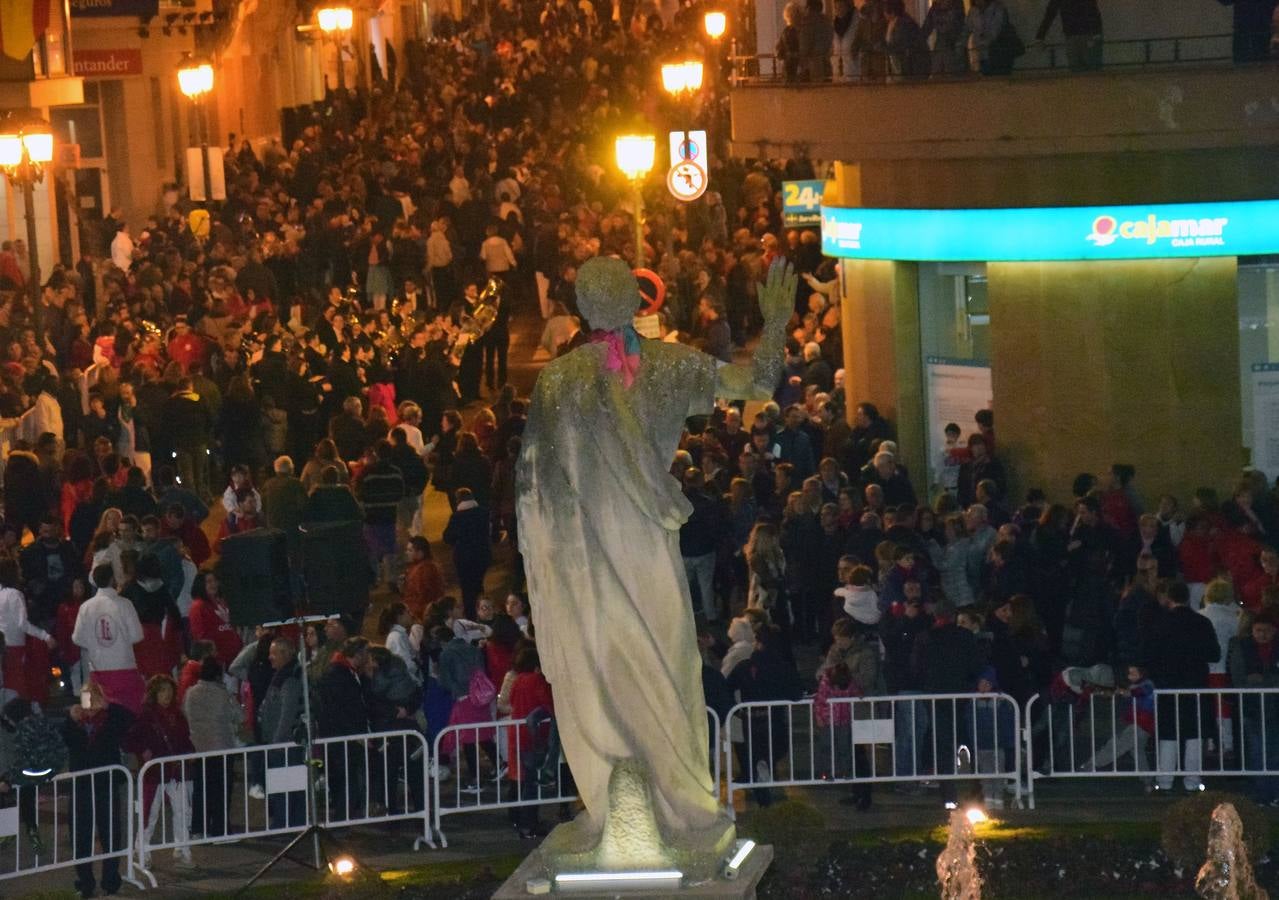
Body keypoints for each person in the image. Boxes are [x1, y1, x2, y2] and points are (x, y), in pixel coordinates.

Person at [1141, 580, 1221, 792]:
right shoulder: (1201, 623)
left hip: (1167, 687)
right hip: (1195, 686)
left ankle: (1165, 781)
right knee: (1193, 736)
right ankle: (1192, 782)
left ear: (1168, 598)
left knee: (1168, 736)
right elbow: (1214, 653)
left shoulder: (1159, 623)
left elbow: (1149, 656)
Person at [63, 680, 134, 899]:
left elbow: (129, 721)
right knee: (81, 836)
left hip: (106, 783)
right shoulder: (75, 722)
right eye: (87, 694)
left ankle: (111, 881)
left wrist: (108, 706)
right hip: (82, 784)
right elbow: (67, 740)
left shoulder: (111, 718)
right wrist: (71, 718)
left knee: (111, 833)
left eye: (95, 694)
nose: (91, 699)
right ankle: (85, 883)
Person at [123, 674, 195, 869]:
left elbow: (185, 739)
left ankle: (182, 850)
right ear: (154, 694)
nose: (167, 695)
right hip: (154, 773)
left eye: (170, 690)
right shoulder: (146, 716)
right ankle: (143, 851)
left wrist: (189, 753)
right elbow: (129, 740)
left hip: (175, 771)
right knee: (149, 813)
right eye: (163, 691)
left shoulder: (177, 715)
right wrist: (143, 750)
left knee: (182, 811)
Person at [182, 657, 242, 839]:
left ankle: (199, 828)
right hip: (221, 747)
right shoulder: (223, 694)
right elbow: (238, 716)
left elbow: (185, 713)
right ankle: (220, 829)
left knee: (201, 789)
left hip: (199, 747)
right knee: (221, 790)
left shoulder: (190, 693)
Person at [72, 565, 145, 714]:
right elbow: (137, 635)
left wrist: (95, 644)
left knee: (94, 712)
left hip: (97, 670)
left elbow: (77, 638)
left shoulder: (85, 607)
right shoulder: (125, 604)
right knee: (131, 713)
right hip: (125, 668)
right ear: (113, 579)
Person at [0, 558, 56, 700]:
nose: (21, 571)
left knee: (6, 683)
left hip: (3, 645)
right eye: (18, 568)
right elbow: (23, 624)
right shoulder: (15, 595)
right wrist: (45, 636)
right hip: (14, 646)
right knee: (16, 684)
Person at [443, 487, 491, 619]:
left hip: (464, 558)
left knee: (467, 588)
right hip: (482, 555)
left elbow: (447, 537)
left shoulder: (457, 517)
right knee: (478, 583)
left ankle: (470, 615)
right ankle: (483, 612)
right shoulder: (484, 513)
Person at [1033, 0, 1102, 70]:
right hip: (1086, 34)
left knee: (1076, 67)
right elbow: (1094, 12)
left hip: (1073, 35)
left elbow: (1049, 15)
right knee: (1090, 67)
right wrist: (1097, 33)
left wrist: (1040, 37)